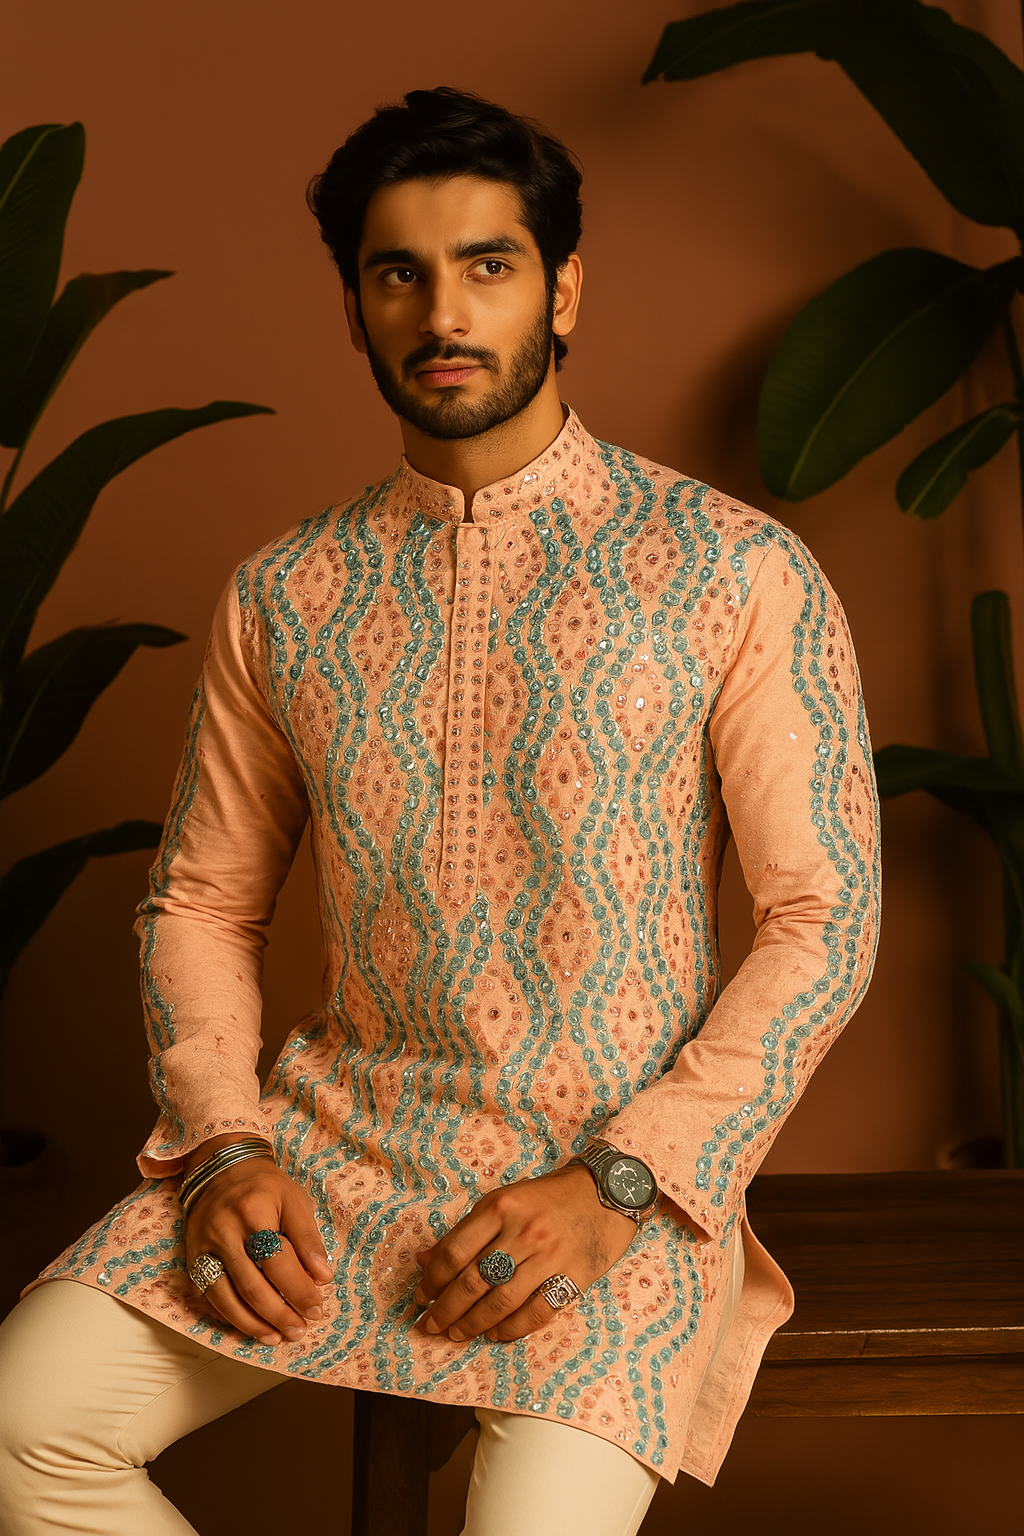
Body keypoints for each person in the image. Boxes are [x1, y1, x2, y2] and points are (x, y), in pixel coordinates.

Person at [0, 87, 880, 1536]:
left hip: (612, 1186)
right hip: (336, 1151)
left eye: (489, 263)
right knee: (30, 1420)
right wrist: (225, 1142)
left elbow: (821, 916)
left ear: (564, 286)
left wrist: (622, 1181)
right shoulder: (290, 591)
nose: (442, 310)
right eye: (397, 272)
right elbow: (203, 901)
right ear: (354, 308)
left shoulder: (731, 568)